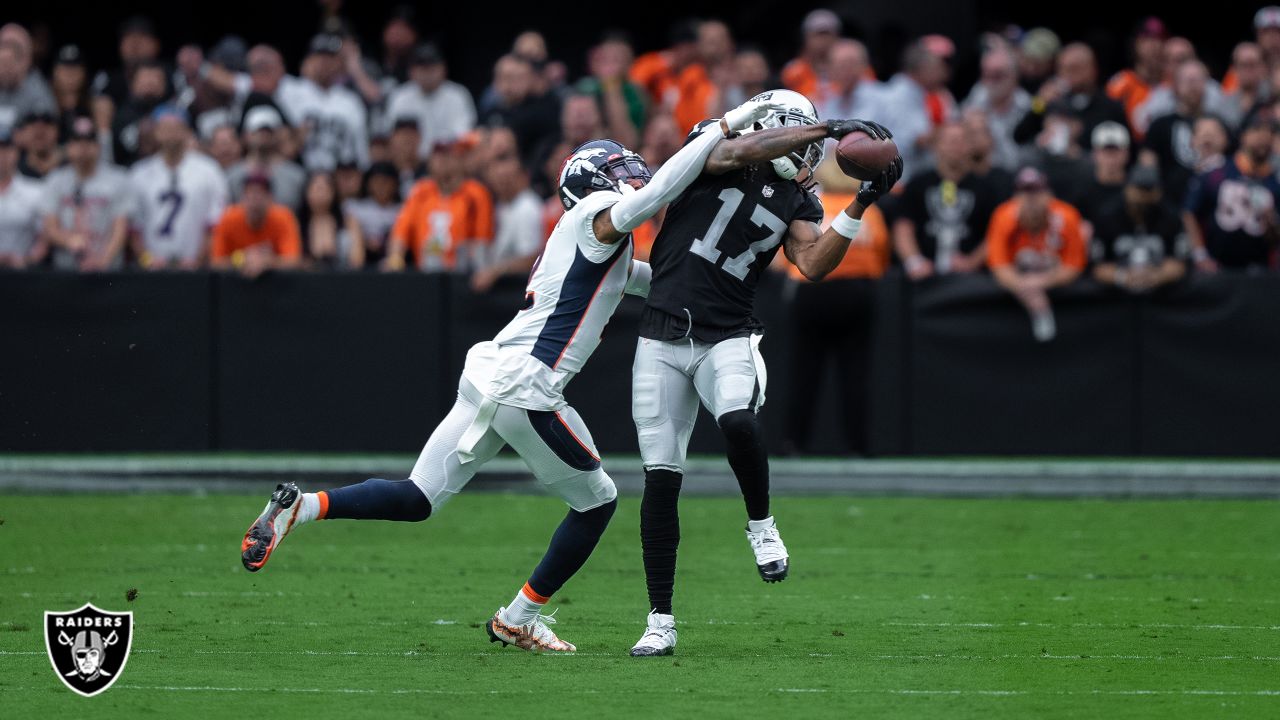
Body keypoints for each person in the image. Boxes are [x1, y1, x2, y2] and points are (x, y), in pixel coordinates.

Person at [238, 97, 788, 653]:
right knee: (598, 501)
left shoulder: (597, 244)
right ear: (593, 182)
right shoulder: (594, 216)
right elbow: (658, 193)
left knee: (418, 497)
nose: (631, 173)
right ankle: (519, 615)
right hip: (529, 384)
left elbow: (658, 279)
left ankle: (301, 507)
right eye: (617, 168)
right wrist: (723, 127)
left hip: (489, 374)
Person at [627, 90, 900, 657]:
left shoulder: (799, 201)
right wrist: (825, 129)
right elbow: (738, 150)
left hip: (728, 331)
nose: (811, 162)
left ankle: (760, 524)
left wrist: (860, 205)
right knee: (660, 480)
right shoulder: (716, 143)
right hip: (661, 332)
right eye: (802, 141)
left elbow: (812, 264)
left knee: (737, 422)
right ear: (784, 127)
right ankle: (659, 619)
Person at [783, 158, 891, 455]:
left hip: (811, 292)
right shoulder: (869, 212)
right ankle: (858, 446)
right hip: (856, 290)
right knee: (855, 374)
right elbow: (881, 257)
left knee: (804, 372)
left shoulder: (809, 206)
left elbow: (787, 257)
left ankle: (794, 442)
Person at [985, 166, 1087, 343]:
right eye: (1025, 192)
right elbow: (999, 266)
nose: (1031, 199)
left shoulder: (1067, 216)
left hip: (1058, 291)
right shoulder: (1003, 216)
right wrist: (1026, 289)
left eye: (1037, 191)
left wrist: (1040, 282)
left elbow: (1074, 265)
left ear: (1049, 195)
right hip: (1019, 291)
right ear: (1015, 197)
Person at [893, 122, 1001, 278]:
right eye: (949, 141)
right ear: (936, 146)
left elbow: (997, 233)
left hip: (971, 278)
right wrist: (914, 261)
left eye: (961, 140)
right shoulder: (918, 184)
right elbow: (903, 227)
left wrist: (971, 263)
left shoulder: (986, 188)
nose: (955, 146)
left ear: (970, 146)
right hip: (924, 276)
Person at [128, 106, 229, 270]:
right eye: (165, 128)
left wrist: (198, 260)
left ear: (187, 131)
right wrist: (147, 260)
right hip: (151, 267)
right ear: (155, 132)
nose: (170, 134)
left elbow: (216, 223)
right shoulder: (139, 174)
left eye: (176, 128)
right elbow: (134, 229)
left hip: (196, 267)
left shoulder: (209, 171)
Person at [1182, 115, 1280, 272]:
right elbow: (1190, 211)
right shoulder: (1217, 172)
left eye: (1269, 134)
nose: (1263, 138)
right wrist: (1200, 255)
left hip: (1258, 270)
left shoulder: (1275, 182)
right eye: (1257, 132)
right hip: (1218, 267)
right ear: (1243, 136)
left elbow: (1274, 239)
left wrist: (1272, 225)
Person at [385, 139, 493, 272]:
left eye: (448, 155)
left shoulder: (476, 193)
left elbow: (481, 241)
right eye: (437, 155)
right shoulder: (420, 191)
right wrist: (395, 258)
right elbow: (401, 232)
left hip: (462, 272)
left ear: (460, 160)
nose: (442, 160)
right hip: (425, 273)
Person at [43, 116, 132, 272]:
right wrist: (68, 239)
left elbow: (121, 228)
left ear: (98, 146)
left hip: (107, 271)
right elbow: (50, 227)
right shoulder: (55, 180)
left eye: (89, 141)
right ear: (68, 146)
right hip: (66, 271)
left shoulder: (118, 179)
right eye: (77, 141)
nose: (83, 147)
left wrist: (103, 261)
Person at [1014, 43, 1126, 152]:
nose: (1067, 74)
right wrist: (1039, 103)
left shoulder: (1110, 107)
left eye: (1074, 68)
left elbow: (1120, 150)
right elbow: (1019, 137)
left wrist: (1078, 133)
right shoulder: (1050, 102)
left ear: (1093, 70)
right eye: (1062, 69)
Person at [1091, 164, 1187, 292]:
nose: (1144, 195)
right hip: (1116, 294)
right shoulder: (1107, 216)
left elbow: (1179, 262)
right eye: (1140, 189)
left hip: (1161, 294)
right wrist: (1123, 277)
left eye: (1149, 189)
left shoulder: (1170, 216)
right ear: (1127, 188)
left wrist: (1158, 276)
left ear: (1159, 192)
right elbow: (1097, 266)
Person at [1140, 60, 1213, 208]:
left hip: (1210, 209)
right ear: (1176, 86)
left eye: (1198, 80)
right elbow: (1147, 166)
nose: (1193, 86)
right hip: (1169, 207)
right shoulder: (1159, 125)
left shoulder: (1218, 124)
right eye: (1188, 80)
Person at [383, 43, 475, 160]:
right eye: (422, 68)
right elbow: (391, 135)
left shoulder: (458, 95)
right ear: (411, 71)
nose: (427, 74)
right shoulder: (400, 97)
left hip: (446, 161)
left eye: (432, 68)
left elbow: (463, 136)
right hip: (411, 162)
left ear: (443, 69)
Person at [470, 156, 543, 292]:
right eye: (499, 179)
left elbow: (531, 258)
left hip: (520, 290)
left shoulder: (527, 206)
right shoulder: (499, 205)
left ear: (523, 178)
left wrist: (495, 271)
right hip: (500, 287)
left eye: (508, 178)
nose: (503, 183)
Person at [210, 172, 302, 278]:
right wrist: (242, 258)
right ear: (242, 199)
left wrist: (267, 262)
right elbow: (216, 263)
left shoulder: (284, 217)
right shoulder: (228, 218)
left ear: (270, 199)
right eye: (250, 194)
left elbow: (293, 261)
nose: (254, 200)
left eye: (260, 194)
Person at [961, 46, 1030, 172]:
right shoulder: (974, 100)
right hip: (981, 174)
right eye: (987, 74)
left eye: (998, 75)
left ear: (1014, 75)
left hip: (1019, 174)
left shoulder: (1027, 106)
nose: (991, 80)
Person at [227, 106, 307, 212]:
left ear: (278, 135)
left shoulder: (297, 176)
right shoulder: (232, 176)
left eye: (268, 131)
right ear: (247, 135)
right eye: (258, 131)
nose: (263, 136)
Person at [1105, 17, 1167, 132]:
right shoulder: (1120, 83)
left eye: (1160, 39)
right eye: (1147, 39)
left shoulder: (1173, 84)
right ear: (1135, 44)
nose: (1155, 45)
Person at [0, 125, 46, 268]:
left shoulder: (36, 190)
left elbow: (45, 237)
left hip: (21, 274)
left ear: (16, 153)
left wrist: (28, 260)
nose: (2, 155)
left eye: (7, 149)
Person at [344, 161, 401, 269]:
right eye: (376, 182)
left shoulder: (402, 210)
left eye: (385, 182)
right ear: (368, 184)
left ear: (394, 184)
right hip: (363, 258)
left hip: (393, 261)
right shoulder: (355, 207)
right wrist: (366, 242)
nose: (380, 187)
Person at [1074, 121, 1132, 227]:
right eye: (1106, 152)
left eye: (1116, 151)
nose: (1111, 158)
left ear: (1126, 154)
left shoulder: (1136, 190)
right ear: (1094, 154)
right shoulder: (1082, 193)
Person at [0, 27, 56, 133]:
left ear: (22, 63)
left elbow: (47, 130)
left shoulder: (37, 89)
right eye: (1, 63)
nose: (4, 70)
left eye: (9, 64)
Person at [781, 8, 842, 102]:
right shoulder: (793, 70)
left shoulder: (854, 68)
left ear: (837, 37)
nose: (823, 40)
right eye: (818, 35)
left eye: (827, 34)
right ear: (806, 38)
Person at [298, 172, 344, 268]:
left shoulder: (347, 221)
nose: (320, 194)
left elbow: (357, 260)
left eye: (324, 189)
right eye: (316, 189)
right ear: (306, 193)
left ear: (333, 193)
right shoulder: (297, 223)